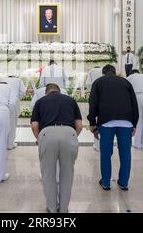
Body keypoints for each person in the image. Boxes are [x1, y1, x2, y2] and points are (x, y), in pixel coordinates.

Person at [31, 83, 83, 213]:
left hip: (47, 134)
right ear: (60, 92)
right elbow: (79, 125)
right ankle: (64, 209)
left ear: (46, 92)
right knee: (67, 175)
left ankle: (52, 209)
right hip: (69, 133)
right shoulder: (70, 100)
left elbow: (34, 125)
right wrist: (72, 137)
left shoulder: (40, 101)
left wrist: (40, 139)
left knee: (48, 176)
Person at [88, 65, 139, 191]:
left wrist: (92, 123)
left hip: (106, 122)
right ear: (115, 72)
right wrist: (134, 123)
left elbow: (93, 103)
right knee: (125, 153)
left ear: (103, 73)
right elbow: (134, 103)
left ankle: (106, 182)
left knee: (105, 153)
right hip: (126, 122)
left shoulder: (98, 82)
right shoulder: (126, 82)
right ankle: (123, 182)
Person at [1, 76, 27, 150]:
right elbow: (23, 91)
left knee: (2, 124)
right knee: (12, 124)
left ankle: (2, 143)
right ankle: (10, 144)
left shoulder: (3, 79)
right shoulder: (18, 80)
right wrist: (18, 98)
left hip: (2, 101)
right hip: (12, 102)